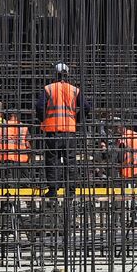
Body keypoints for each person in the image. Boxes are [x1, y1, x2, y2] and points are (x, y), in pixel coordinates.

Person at [36, 63, 91, 194]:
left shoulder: (49, 88)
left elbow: (39, 107)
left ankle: (53, 189)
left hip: (52, 131)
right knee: (70, 160)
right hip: (69, 132)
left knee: (52, 160)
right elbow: (86, 107)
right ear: (67, 74)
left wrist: (44, 119)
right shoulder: (74, 90)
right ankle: (71, 189)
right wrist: (76, 120)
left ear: (55, 74)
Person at [108, 117, 137, 182]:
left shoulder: (127, 137)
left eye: (114, 128)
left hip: (132, 171)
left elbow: (126, 156)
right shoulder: (129, 135)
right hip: (135, 170)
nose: (113, 130)